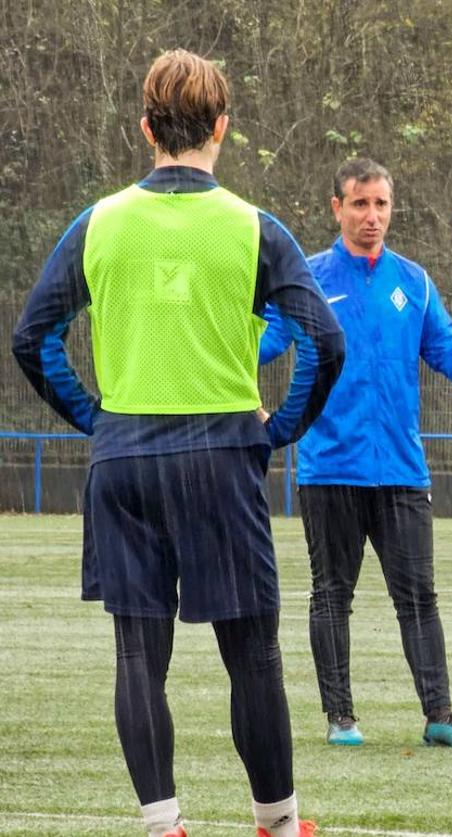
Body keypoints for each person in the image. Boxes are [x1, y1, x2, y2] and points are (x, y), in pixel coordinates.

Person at [11, 50, 344, 837]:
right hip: (222, 453)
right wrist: (280, 427)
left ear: (146, 128)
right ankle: (278, 822)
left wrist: (100, 420)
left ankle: (164, 825)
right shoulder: (255, 228)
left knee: (137, 655)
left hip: (124, 460)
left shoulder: (97, 222)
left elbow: (33, 339)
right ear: (222, 128)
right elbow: (325, 343)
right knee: (252, 654)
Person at [259, 158, 452, 749]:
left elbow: (446, 350)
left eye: (381, 204)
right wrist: (230, 392)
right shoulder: (307, 280)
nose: (372, 216)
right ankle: (341, 717)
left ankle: (440, 714)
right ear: (337, 208)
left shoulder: (411, 282)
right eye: (360, 204)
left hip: (401, 471)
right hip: (329, 467)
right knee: (332, 595)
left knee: (419, 598)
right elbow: (257, 347)